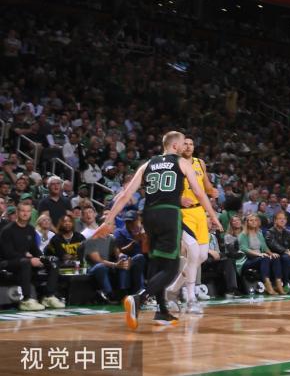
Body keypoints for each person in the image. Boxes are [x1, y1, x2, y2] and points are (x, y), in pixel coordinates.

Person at [94, 131, 221, 329]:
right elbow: (199, 192)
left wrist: (109, 220)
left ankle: (162, 311)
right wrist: (213, 216)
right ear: (176, 146)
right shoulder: (182, 162)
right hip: (169, 214)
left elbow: (126, 194)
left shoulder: (147, 164)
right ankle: (139, 299)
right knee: (170, 269)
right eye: (182, 144)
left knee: (158, 263)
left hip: (148, 216)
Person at [166, 137, 216, 313]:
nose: (188, 146)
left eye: (191, 144)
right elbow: (166, 189)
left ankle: (172, 291)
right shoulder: (174, 164)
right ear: (179, 147)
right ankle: (190, 299)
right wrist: (178, 198)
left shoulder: (199, 163)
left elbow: (207, 186)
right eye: (185, 144)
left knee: (201, 257)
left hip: (199, 212)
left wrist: (212, 191)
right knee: (193, 254)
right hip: (182, 213)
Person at [0, 200, 64, 311]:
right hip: (7, 262)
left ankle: (48, 297)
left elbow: (35, 250)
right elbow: (8, 253)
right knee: (26, 262)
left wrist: (42, 258)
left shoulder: (30, 229)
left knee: (53, 260)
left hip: (25, 260)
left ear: (31, 213)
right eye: (22, 211)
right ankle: (26, 300)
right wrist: (29, 258)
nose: (25, 213)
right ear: (17, 212)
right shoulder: (7, 230)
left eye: (28, 211)